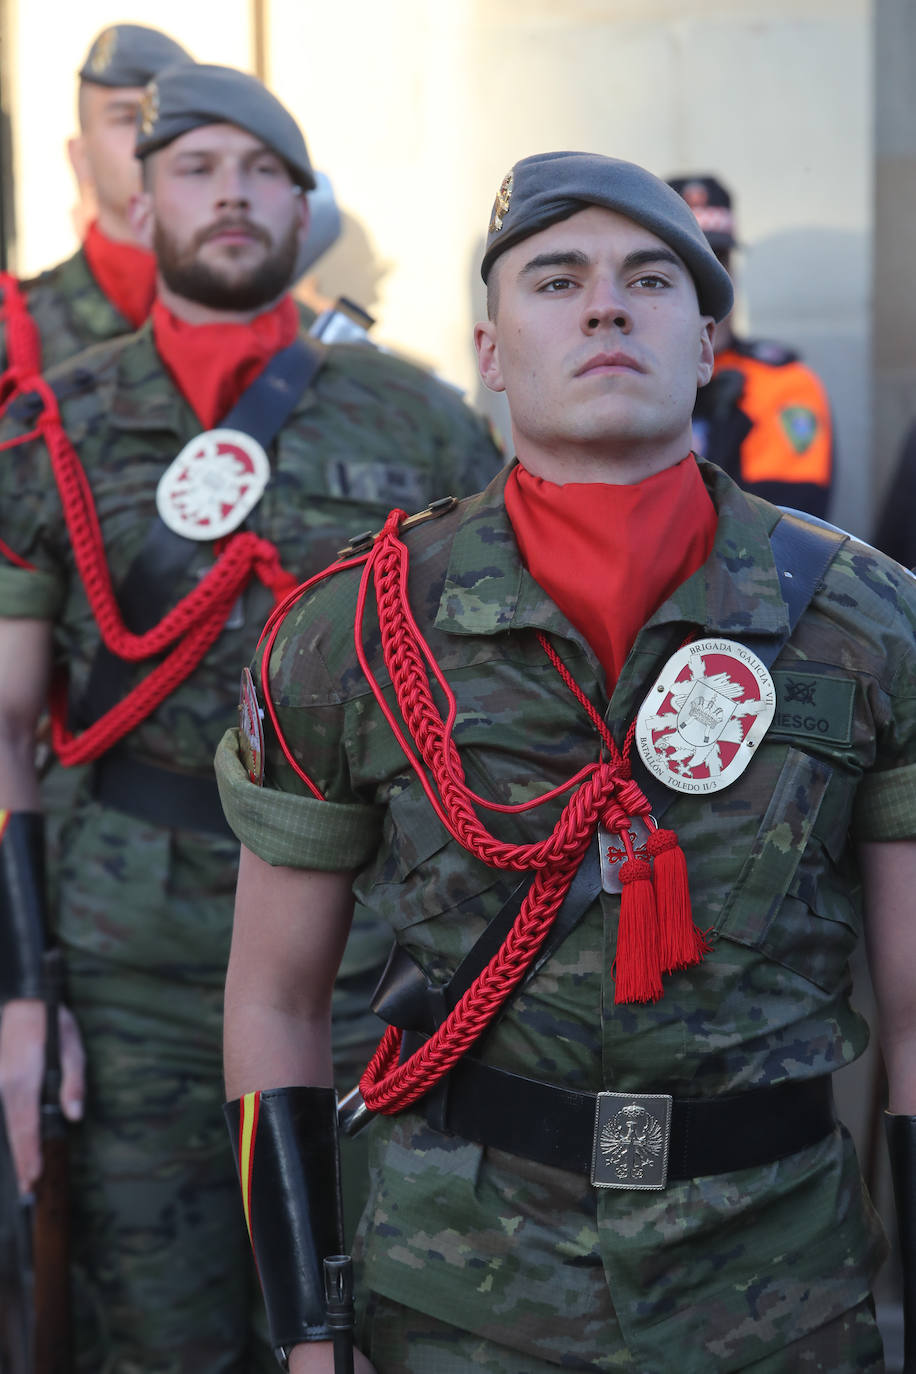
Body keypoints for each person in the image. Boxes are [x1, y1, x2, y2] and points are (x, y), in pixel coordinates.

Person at [218, 150, 916, 1373]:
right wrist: (306, 1331)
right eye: (555, 279)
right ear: (490, 354)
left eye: (650, 279)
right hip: (460, 1291)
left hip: (776, 1288)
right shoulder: (352, 635)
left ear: (707, 342)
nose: (604, 304)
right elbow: (275, 999)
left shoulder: (871, 623)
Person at [0, 61, 502, 1372]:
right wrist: (18, 991)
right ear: (138, 196)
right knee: (155, 1323)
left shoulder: (429, 424)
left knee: (365, 1313)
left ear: (302, 202)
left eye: (262, 171)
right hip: (132, 958)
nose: (230, 195)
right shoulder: (52, 424)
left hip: (359, 955)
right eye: (196, 168)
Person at [0, 23, 192, 393]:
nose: (152, 138)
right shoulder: (16, 333)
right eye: (126, 118)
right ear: (80, 158)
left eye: (171, 118)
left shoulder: (278, 330)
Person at [667, 174, 834, 518]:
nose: (712, 287)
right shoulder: (619, 375)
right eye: (688, 267)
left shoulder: (782, 382)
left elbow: (783, 526)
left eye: (719, 262)